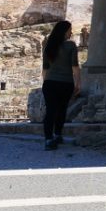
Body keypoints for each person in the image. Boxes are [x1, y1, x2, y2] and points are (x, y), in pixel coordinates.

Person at [41, 20, 80, 150]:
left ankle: (48, 139)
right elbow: (74, 67)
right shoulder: (71, 46)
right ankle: (57, 134)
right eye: (70, 30)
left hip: (50, 83)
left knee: (50, 111)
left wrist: (45, 83)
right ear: (64, 32)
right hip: (66, 83)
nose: (71, 32)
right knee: (61, 110)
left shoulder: (49, 45)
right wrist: (78, 83)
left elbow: (45, 69)